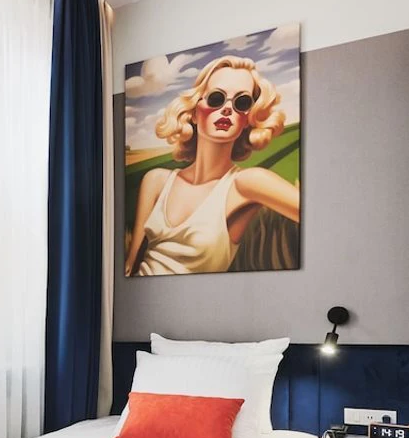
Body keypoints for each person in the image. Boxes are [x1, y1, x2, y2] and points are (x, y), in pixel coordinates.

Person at [126, 56, 299, 276]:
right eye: (216, 98)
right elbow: (130, 267)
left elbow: (320, 216)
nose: (227, 109)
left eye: (242, 103)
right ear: (194, 112)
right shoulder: (156, 180)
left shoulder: (246, 183)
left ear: (248, 119)